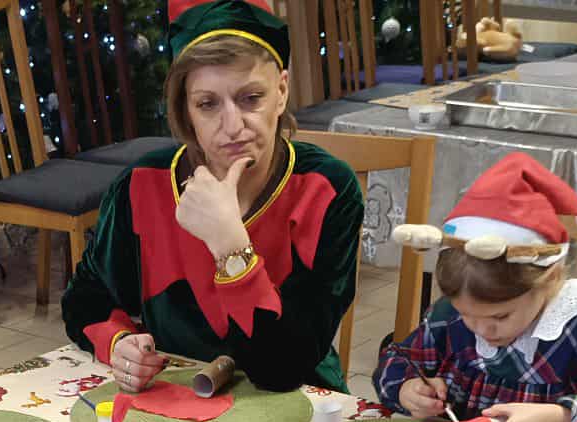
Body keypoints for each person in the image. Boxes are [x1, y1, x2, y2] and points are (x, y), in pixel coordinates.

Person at [63, 0, 364, 391]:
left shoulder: (326, 189)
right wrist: (120, 344)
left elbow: (284, 369)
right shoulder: (141, 186)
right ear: (185, 111)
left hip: (299, 400)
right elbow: (85, 301)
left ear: (282, 91)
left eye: (250, 98)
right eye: (208, 104)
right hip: (177, 403)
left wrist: (229, 246)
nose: (233, 127)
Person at [373, 153, 577, 422]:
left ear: (550, 279)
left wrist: (557, 420)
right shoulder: (451, 316)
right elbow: (397, 359)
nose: (481, 329)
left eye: (500, 316)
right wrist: (406, 388)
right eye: (467, 314)